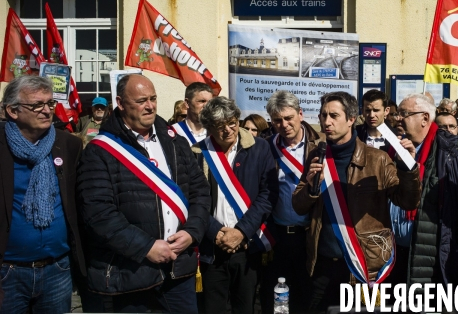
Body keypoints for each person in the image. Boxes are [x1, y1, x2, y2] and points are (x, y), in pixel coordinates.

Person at [77, 74, 211, 313]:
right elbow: (99, 214)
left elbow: (200, 191)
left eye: (153, 99)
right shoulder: (100, 152)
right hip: (130, 273)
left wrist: (192, 233)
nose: (150, 106)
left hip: (179, 268)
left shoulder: (175, 141)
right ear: (120, 103)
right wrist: (146, 247)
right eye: (141, 100)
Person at [292, 91, 421, 311]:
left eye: (334, 115)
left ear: (352, 119)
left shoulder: (377, 159)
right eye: (323, 115)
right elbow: (298, 205)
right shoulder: (316, 154)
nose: (326, 122)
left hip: (363, 267)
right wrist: (312, 188)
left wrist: (408, 168)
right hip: (322, 265)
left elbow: (407, 201)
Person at [0, 76, 85, 312]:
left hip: (57, 269)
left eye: (50, 104)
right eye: (37, 105)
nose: (47, 111)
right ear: (12, 111)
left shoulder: (69, 145)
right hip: (8, 272)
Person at [389, 93, 458, 287]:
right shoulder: (392, 151)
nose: (397, 118)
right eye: (397, 114)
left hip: (434, 261)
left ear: (425, 118)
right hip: (393, 257)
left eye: (404, 113)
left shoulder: (454, 156)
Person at [193, 97, 277, 314]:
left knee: (245, 307)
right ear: (209, 127)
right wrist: (216, 233)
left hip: (246, 246)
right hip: (213, 247)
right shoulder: (197, 153)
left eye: (232, 122)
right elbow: (192, 200)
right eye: (221, 126)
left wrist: (241, 232)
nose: (228, 130)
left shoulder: (259, 148)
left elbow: (268, 194)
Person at [259, 90, 325, 313]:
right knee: (276, 300)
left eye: (289, 118)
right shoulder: (266, 147)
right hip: (278, 236)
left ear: (300, 114)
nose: (284, 124)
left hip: (312, 236)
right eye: (277, 120)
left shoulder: (321, 145)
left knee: (307, 298)